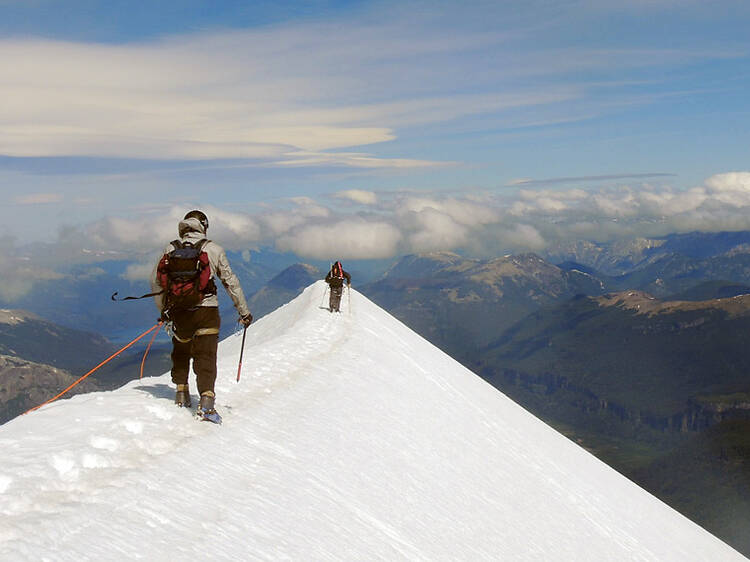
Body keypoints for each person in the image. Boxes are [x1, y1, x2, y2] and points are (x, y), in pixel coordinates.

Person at [151, 210, 252, 421]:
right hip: (207, 310)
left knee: (180, 349)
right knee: (206, 355)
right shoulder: (213, 249)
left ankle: (181, 393)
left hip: (180, 311)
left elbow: (157, 282)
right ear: (203, 226)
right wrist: (244, 312)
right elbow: (230, 281)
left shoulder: (170, 249)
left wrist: (164, 311)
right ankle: (206, 404)